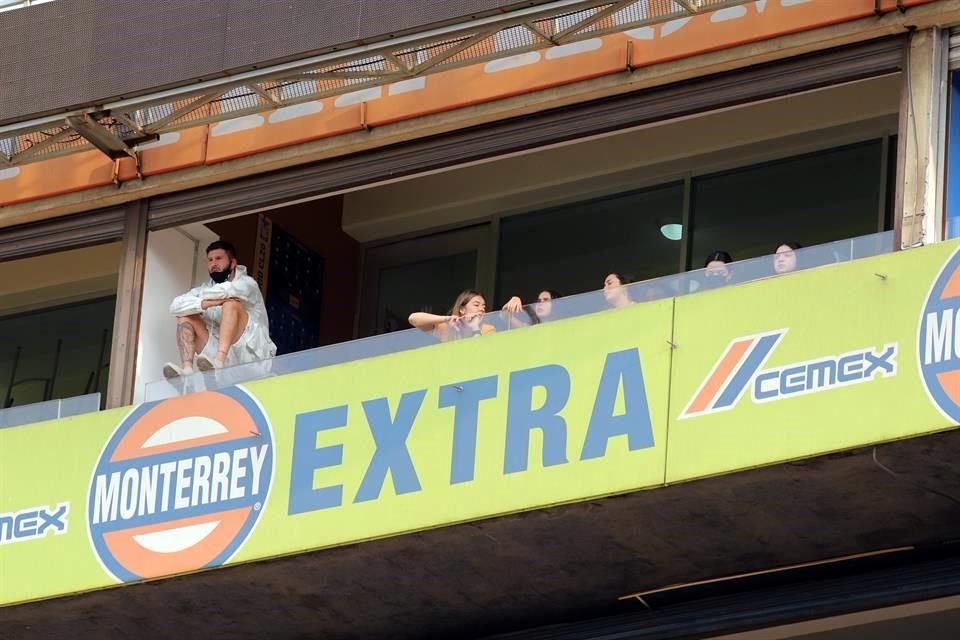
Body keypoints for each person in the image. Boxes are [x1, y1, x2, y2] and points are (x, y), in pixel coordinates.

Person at [164, 240, 277, 378]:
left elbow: (224, 291)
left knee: (231, 304)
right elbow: (175, 306)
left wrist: (204, 300)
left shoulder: (247, 283)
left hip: (252, 359)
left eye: (219, 259)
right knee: (184, 316)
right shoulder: (204, 288)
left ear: (233, 263)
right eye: (210, 260)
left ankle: (219, 362)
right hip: (223, 360)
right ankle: (187, 371)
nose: (213, 264)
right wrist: (205, 304)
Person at [408, 289, 495, 341]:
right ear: (462, 309)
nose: (482, 309)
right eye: (476, 305)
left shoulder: (488, 329)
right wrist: (447, 319)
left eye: (484, 306)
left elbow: (482, 352)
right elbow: (413, 318)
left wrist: (475, 328)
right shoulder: (448, 327)